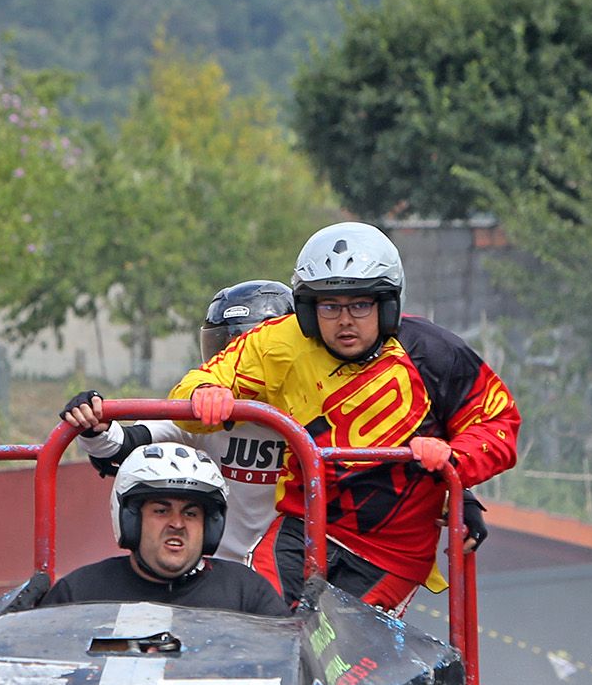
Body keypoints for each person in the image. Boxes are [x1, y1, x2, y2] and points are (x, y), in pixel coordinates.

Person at [172, 222, 520, 610]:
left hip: (391, 556)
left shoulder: (437, 352)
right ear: (308, 310)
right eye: (329, 306)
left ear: (388, 306)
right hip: (302, 528)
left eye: (360, 305)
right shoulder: (279, 342)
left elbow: (499, 424)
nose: (345, 321)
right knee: (264, 625)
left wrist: (454, 460)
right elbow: (197, 384)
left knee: (343, 658)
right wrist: (206, 394)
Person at [60, 280, 298, 564]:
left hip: (296, 567)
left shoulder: (319, 413)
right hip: (217, 572)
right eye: (224, 350)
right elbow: (122, 446)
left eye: (252, 353)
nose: (237, 364)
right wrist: (94, 424)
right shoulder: (203, 415)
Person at [40, 444, 289, 616]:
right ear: (131, 519)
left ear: (209, 526)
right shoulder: (80, 594)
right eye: (161, 511)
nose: (177, 524)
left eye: (191, 514)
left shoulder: (247, 595)